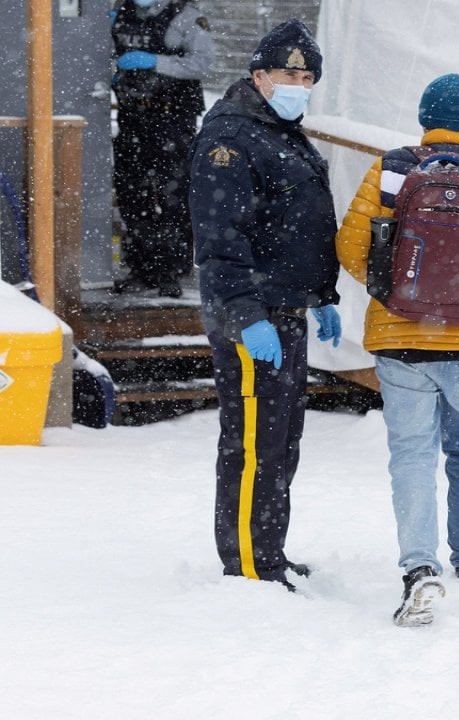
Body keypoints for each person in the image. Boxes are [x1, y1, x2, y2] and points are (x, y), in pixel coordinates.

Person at [335, 73, 459, 626]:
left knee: (413, 456)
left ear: (426, 117)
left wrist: (393, 292)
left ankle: (420, 569)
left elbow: (351, 245)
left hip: (402, 341)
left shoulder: (395, 168)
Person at [189, 19, 342, 591]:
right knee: (255, 442)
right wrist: (246, 313)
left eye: (307, 74)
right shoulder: (231, 137)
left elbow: (297, 227)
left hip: (286, 309)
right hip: (252, 313)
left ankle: (266, 549)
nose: (299, 82)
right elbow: (220, 237)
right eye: (289, 72)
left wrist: (321, 294)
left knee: (279, 439)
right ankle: (250, 564)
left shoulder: (282, 131)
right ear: (259, 75)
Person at [110, 0, 214, 298]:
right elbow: (102, 53)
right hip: (133, 118)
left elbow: (204, 63)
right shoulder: (120, 13)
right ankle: (140, 267)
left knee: (173, 196)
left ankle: (170, 269)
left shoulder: (186, 17)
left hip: (173, 119)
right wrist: (114, 70)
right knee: (133, 194)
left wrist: (154, 61)